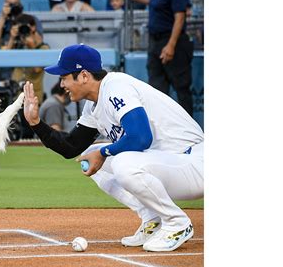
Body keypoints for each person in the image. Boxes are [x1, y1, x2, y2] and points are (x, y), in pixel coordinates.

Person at [22, 44, 203, 252]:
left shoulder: (116, 86)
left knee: (121, 161)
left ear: (83, 76)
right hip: (172, 163)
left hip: (194, 162)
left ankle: (177, 223)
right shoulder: (93, 104)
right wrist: (36, 123)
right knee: (88, 157)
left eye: (64, 77)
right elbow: (71, 147)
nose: (61, 83)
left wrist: (102, 153)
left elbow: (141, 137)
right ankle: (153, 219)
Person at [128, 0, 194, 116]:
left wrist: (171, 45)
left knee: (181, 88)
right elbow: (157, 2)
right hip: (155, 43)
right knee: (156, 90)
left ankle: (188, 129)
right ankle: (162, 129)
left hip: (172, 42)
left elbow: (180, 17)